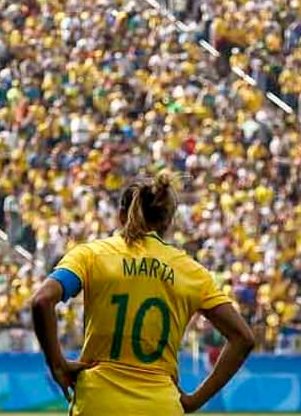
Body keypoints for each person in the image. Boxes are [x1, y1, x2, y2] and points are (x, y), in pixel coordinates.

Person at [31, 172, 255, 415]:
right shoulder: (191, 272)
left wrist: (57, 365)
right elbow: (243, 338)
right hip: (160, 405)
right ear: (168, 222)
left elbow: (42, 300)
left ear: (120, 215)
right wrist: (193, 401)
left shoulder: (91, 255)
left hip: (98, 402)